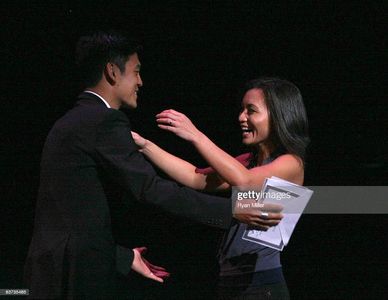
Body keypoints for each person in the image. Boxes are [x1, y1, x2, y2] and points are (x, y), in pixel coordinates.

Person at [23, 32, 281, 299]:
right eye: (136, 72)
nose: (140, 81)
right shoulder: (102, 121)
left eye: (251, 110)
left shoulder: (76, 120)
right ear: (112, 72)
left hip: (56, 266)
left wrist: (122, 257)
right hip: (74, 272)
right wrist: (235, 208)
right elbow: (166, 185)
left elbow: (72, 216)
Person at [131, 77, 310, 299]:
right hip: (230, 281)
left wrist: (195, 135)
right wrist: (145, 145)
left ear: (277, 116)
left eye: (251, 111)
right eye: (242, 110)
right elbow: (195, 177)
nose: (241, 117)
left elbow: (244, 182)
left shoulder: (291, 163)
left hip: (262, 284)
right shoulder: (247, 162)